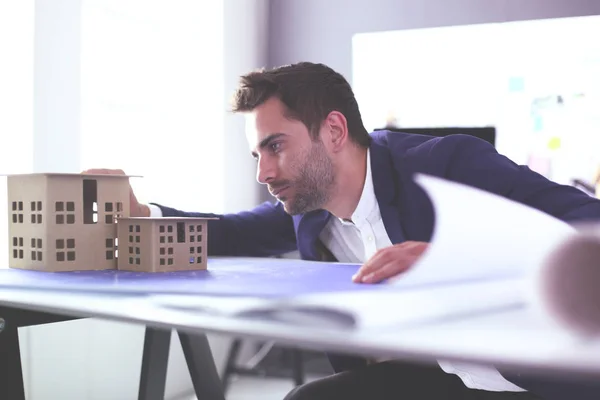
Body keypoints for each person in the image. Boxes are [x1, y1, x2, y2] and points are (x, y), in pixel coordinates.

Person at [85, 62, 600, 400]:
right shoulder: (312, 211)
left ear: (333, 130)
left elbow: (588, 226)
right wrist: (139, 213)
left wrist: (459, 260)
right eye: (256, 153)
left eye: (276, 146)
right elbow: (229, 234)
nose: (262, 173)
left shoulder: (449, 163)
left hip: (543, 381)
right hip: (451, 377)